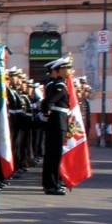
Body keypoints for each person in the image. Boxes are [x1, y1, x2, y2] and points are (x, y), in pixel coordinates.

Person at [40, 55, 74, 194]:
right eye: (66, 68)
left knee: (52, 154)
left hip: (57, 121)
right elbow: (48, 102)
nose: (69, 71)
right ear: (58, 71)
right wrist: (47, 115)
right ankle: (51, 184)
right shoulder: (60, 85)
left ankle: (52, 182)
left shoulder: (58, 84)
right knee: (54, 155)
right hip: (57, 122)